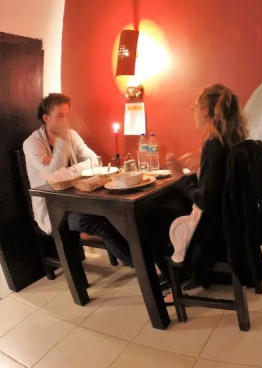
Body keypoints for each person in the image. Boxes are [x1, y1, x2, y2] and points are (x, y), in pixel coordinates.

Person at [23, 93, 133, 267]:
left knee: (118, 213)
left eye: (67, 115)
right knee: (101, 223)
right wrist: (61, 144)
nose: (65, 121)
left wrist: (68, 170)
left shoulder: (71, 135)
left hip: (79, 199)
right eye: (60, 116)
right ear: (46, 118)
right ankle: (141, 267)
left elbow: (94, 160)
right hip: (56, 209)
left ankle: (146, 261)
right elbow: (52, 174)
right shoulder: (32, 144)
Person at [157, 84, 249, 287]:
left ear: (205, 110)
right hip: (234, 224)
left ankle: (178, 280)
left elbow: (206, 202)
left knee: (152, 222)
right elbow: (220, 184)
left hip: (216, 233)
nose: (194, 112)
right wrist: (202, 167)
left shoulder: (213, 144)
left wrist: (180, 176)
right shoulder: (235, 139)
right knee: (175, 208)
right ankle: (183, 273)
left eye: (195, 108)